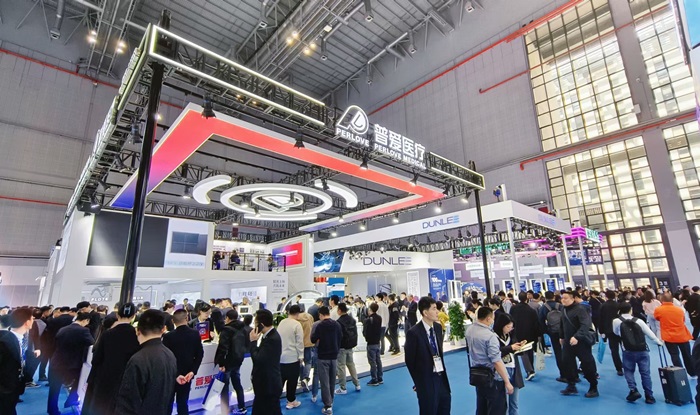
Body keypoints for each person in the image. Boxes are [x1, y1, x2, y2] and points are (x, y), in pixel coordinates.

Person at [116, 309, 178, 415]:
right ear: (163, 329)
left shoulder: (138, 359)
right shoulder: (169, 354)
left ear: (137, 330)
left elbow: (128, 402)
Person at [82, 303, 140, 415]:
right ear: (134, 316)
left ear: (117, 315)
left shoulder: (107, 334)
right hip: (125, 380)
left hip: (104, 378)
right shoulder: (136, 335)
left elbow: (97, 359)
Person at [405, 296, 452, 415]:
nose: (437, 312)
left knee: (445, 408)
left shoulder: (438, 328)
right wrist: (418, 382)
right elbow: (410, 361)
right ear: (425, 313)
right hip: (426, 381)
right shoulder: (413, 333)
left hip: (441, 377)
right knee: (429, 410)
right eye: (434, 309)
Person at [613, 302, 663, 404]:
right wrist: (658, 342)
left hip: (627, 350)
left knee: (628, 371)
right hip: (642, 350)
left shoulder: (616, 321)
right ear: (630, 310)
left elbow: (616, 333)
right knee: (645, 373)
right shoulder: (639, 321)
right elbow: (650, 334)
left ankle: (633, 390)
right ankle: (649, 396)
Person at [466, 306, 513, 415]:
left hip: (477, 374)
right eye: (492, 319)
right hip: (492, 377)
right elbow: (496, 361)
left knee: (481, 407)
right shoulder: (490, 336)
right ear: (488, 319)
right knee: (497, 409)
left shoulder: (469, 330)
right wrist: (507, 381)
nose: (493, 321)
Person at [47, 311, 94, 414]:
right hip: (72, 364)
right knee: (78, 381)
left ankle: (52, 409)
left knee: (54, 388)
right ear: (86, 320)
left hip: (57, 361)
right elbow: (92, 344)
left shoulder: (63, 329)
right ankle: (71, 400)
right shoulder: (84, 331)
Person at [163, 309, 204, 415]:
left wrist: (176, 374)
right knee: (183, 403)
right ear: (187, 318)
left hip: (171, 375)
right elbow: (199, 355)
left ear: (173, 321)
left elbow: (165, 359)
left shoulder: (168, 336)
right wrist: (192, 371)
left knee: (168, 404)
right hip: (187, 375)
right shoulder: (195, 334)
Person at [559, 291, 599, 398]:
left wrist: (577, 336)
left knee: (587, 364)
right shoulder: (563, 309)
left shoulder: (580, 309)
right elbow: (562, 324)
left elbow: (585, 325)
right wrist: (561, 336)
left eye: (566, 298)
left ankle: (593, 386)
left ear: (573, 299)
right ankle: (571, 385)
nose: (563, 300)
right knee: (567, 362)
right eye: (562, 298)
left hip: (581, 342)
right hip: (568, 342)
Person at [215, 309, 249, 415]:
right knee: (237, 384)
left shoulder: (226, 330)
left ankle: (224, 410)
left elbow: (223, 348)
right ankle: (242, 407)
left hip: (227, 362)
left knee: (224, 387)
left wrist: (221, 363)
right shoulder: (243, 329)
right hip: (238, 360)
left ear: (227, 318)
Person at [655, 292, 696, 377]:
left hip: (669, 336)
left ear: (662, 300)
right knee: (687, 355)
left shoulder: (658, 310)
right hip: (682, 335)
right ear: (672, 300)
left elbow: (657, 318)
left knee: (674, 355)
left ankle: (680, 374)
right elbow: (683, 320)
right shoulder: (679, 310)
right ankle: (692, 372)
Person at [249, 309, 283, 415]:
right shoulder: (268, 336)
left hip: (268, 386)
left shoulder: (272, 339)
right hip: (265, 384)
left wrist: (253, 342)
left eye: (255, 323)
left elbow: (258, 359)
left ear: (261, 325)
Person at [0, 308, 33, 415]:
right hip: (4, 390)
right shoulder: (5, 341)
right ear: (27, 322)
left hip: (14, 388)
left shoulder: (20, 339)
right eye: (32, 319)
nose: (33, 321)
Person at [310, 306, 342, 415]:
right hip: (334, 356)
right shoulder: (337, 324)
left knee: (324, 382)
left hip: (323, 356)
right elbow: (340, 338)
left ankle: (328, 406)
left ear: (321, 315)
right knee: (332, 380)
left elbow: (313, 339)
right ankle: (330, 401)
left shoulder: (319, 325)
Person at [494, 313, 525, 415]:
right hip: (501, 371)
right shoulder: (493, 337)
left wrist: (520, 347)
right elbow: (496, 353)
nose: (510, 329)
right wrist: (510, 348)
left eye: (511, 327)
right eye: (508, 327)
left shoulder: (511, 335)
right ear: (501, 325)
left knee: (514, 402)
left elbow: (514, 350)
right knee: (502, 403)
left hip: (514, 368)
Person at [277, 305, 304, 410]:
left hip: (281, 357)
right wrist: (301, 356)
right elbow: (299, 342)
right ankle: (291, 401)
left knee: (280, 380)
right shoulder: (297, 324)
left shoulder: (282, 322)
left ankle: (275, 400)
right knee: (292, 381)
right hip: (292, 357)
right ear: (298, 313)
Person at [335, 303, 361, 394]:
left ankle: (343, 388)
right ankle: (357, 384)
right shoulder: (352, 320)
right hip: (350, 346)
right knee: (351, 365)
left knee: (341, 367)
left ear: (339, 310)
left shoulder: (338, 322)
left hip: (342, 347)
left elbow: (338, 336)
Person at [599, 290, 623, 376]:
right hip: (620, 329)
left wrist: (601, 331)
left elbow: (600, 319)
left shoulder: (603, 306)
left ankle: (619, 368)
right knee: (625, 348)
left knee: (614, 350)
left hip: (609, 330)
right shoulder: (618, 305)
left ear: (606, 296)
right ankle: (627, 365)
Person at [363, 302, 383, 386]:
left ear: (370, 309)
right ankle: (380, 377)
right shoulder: (379, 318)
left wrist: (366, 337)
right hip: (377, 341)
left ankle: (374, 379)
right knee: (378, 360)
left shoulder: (368, 320)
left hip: (371, 343)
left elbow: (365, 332)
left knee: (372, 361)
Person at [296, 306, 314, 391]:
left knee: (298, 362)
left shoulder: (296, 318)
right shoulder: (310, 316)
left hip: (298, 343)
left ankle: (301, 378)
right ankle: (305, 378)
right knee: (308, 362)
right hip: (309, 342)